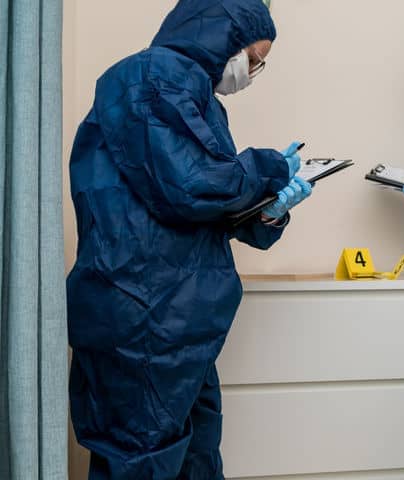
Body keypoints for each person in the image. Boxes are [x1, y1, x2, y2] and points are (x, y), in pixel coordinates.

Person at [66, 1, 309, 478]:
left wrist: (270, 211)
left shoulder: (195, 93)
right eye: (255, 58)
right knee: (144, 458)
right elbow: (189, 186)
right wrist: (266, 168)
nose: (255, 71)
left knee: (194, 453)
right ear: (223, 35)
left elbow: (208, 201)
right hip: (145, 310)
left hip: (179, 317)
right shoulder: (153, 75)